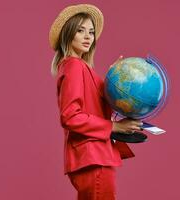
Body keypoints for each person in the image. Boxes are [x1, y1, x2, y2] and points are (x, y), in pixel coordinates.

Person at [49, 4, 143, 200]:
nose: (88, 36)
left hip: (93, 156)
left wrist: (113, 80)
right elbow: (70, 116)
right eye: (80, 30)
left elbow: (97, 104)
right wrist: (114, 126)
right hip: (93, 157)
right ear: (68, 34)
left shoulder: (81, 68)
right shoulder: (74, 66)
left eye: (91, 32)